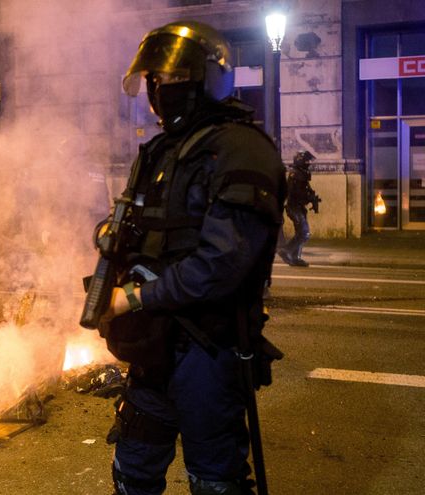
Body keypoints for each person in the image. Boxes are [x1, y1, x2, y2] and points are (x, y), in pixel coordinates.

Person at [94, 21, 286, 494]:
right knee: (133, 469)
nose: (159, 91)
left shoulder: (241, 150)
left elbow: (220, 264)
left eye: (173, 79)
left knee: (213, 480)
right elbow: (144, 222)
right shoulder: (162, 150)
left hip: (208, 346)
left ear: (208, 79)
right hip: (152, 346)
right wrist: (109, 235)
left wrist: (134, 299)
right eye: (154, 81)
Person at [277, 151, 320, 267]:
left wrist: (312, 197)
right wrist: (308, 197)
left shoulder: (300, 174)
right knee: (304, 233)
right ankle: (286, 250)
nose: (308, 164)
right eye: (307, 161)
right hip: (294, 207)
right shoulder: (295, 174)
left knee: (300, 232)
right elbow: (295, 193)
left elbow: (304, 190)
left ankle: (295, 258)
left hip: (298, 207)